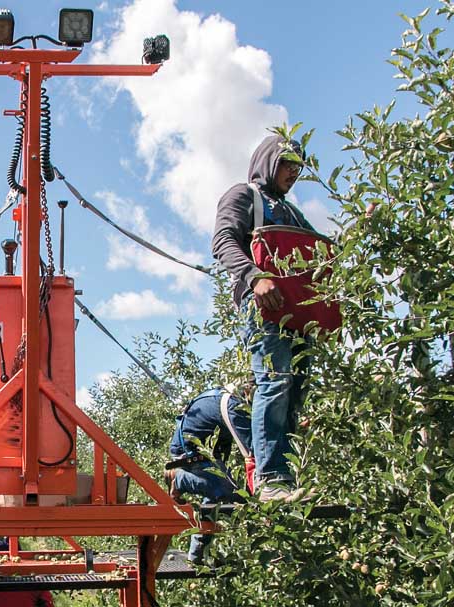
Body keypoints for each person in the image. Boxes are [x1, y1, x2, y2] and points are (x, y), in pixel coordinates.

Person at [211, 133, 315, 502]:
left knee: (295, 392)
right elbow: (223, 240)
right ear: (270, 160)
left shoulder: (292, 214)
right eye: (288, 164)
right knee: (274, 382)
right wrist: (256, 277)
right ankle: (270, 478)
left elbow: (317, 257)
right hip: (265, 311)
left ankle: (287, 476)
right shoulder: (245, 196)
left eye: (299, 167)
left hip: (299, 315)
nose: (294, 173)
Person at [164, 387, 253, 563]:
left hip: (203, 453)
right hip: (190, 453)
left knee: (213, 500)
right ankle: (179, 478)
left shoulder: (222, 399)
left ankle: (196, 554)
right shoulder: (235, 408)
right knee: (229, 492)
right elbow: (253, 451)